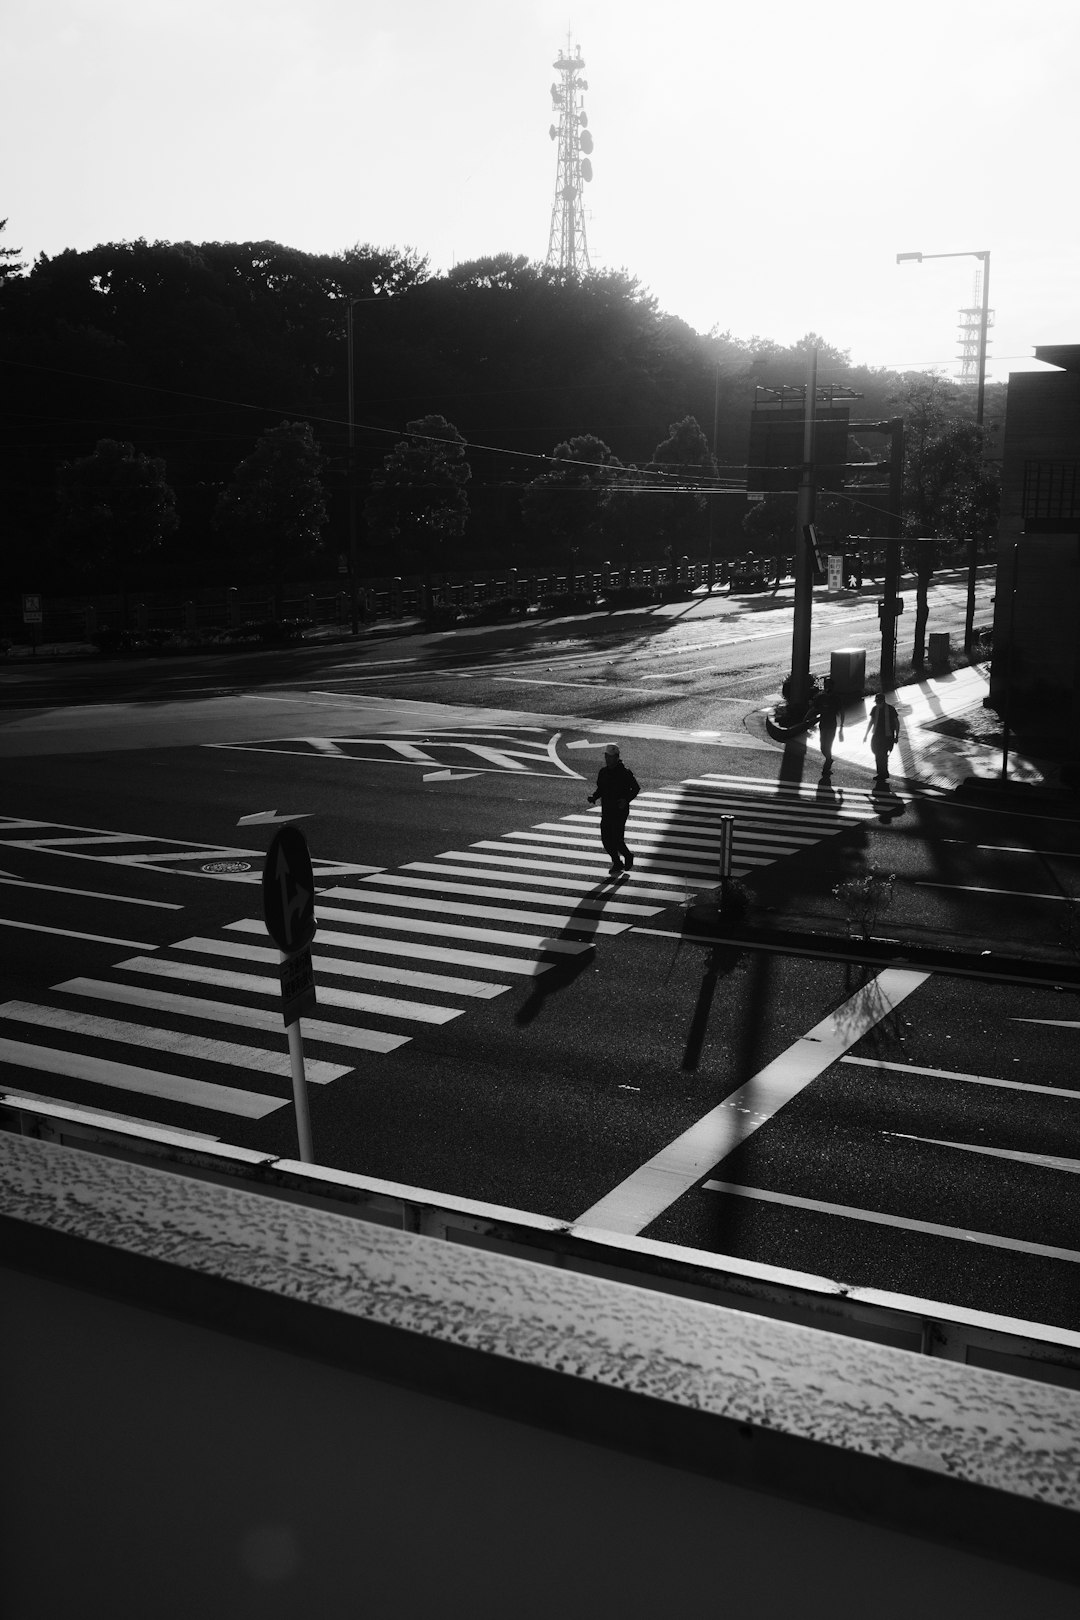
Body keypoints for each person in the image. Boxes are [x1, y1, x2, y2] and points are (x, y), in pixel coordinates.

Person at [587, 743, 640, 875]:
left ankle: (627, 856)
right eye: (606, 756)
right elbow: (601, 789)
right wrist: (594, 797)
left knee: (616, 839)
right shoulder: (603, 772)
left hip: (619, 811)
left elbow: (636, 788)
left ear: (617, 757)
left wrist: (625, 800)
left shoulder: (625, 773)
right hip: (607, 810)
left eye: (610, 757)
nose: (607, 759)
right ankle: (617, 862)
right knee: (606, 840)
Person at [863, 692, 900, 786]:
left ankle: (882, 773)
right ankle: (883, 772)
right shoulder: (875, 709)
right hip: (876, 735)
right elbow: (871, 722)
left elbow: (896, 723)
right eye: (876, 702)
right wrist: (866, 735)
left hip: (887, 736)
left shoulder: (891, 709)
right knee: (877, 753)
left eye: (878, 701)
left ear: (883, 701)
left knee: (882, 754)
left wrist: (896, 736)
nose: (877, 703)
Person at [815, 677, 843, 775]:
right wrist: (806, 718)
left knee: (828, 745)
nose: (827, 687)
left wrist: (842, 727)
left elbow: (841, 711)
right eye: (826, 685)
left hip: (831, 725)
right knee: (823, 746)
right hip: (823, 724)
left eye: (829, 685)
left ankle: (826, 767)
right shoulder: (820, 697)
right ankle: (829, 759)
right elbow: (814, 708)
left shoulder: (836, 698)